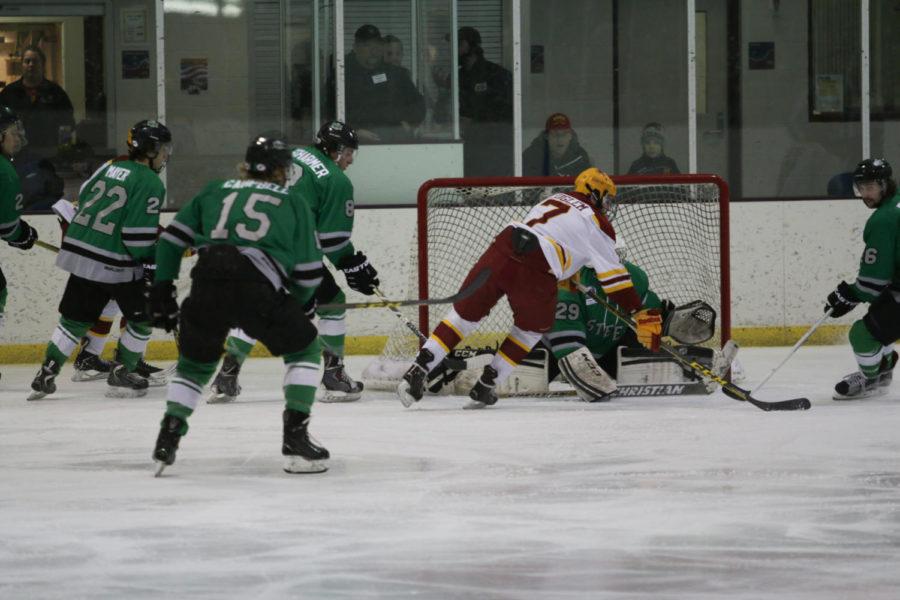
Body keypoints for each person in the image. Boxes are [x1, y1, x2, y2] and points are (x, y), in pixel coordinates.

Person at [397, 166, 663, 409]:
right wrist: (640, 312)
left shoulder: (554, 199)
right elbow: (615, 281)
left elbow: (553, 234)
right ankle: (487, 384)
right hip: (537, 268)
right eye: (607, 198)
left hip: (503, 246)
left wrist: (567, 270)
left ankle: (417, 371)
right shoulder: (598, 223)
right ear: (595, 193)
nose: (607, 205)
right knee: (530, 330)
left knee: (464, 316)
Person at [147, 133, 329, 475]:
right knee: (305, 350)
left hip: (207, 281)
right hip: (256, 288)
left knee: (194, 366)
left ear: (246, 167)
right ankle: (296, 438)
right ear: (280, 171)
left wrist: (162, 287)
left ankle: (168, 437)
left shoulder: (215, 190)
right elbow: (308, 273)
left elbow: (170, 242)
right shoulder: (294, 203)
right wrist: (298, 304)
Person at [207, 121, 378, 404]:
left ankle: (226, 376)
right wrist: (352, 264)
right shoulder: (335, 180)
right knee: (333, 302)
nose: (349, 159)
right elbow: (332, 239)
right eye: (347, 152)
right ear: (333, 150)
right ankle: (334, 376)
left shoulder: (291, 155)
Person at [28, 120, 172, 400]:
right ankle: (123, 372)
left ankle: (47, 370)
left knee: (73, 320)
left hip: (80, 252)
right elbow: (136, 238)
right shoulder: (150, 182)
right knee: (142, 318)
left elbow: (84, 198)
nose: (167, 155)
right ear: (150, 150)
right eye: (164, 149)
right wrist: (154, 261)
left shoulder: (109, 166)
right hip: (115, 261)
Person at [49, 197, 168, 385]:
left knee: (109, 305)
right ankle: (130, 364)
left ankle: (88, 360)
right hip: (113, 262)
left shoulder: (102, 185)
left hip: (96, 259)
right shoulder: (124, 189)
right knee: (135, 308)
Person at [825, 158, 900, 400]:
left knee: (862, 334)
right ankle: (884, 367)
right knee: (880, 316)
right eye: (861, 188)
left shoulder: (884, 220)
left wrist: (848, 295)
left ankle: (872, 380)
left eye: (870, 187)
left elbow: (872, 284)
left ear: (885, 184)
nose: (865, 194)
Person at [0, 106, 39, 375]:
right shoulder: (5, 172)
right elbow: (6, 227)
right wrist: (22, 235)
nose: (18, 138)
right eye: (12, 133)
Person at [343, 24, 425, 143]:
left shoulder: (396, 74)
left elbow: (418, 105)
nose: (373, 50)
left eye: (377, 45)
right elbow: (329, 113)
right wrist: (353, 131)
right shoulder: (343, 75)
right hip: (355, 145)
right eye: (367, 45)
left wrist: (409, 122)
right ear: (355, 48)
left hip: (395, 141)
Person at [0, 46, 74, 161]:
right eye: (27, 61)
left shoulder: (56, 93)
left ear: (42, 64)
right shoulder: (9, 93)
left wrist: (64, 153)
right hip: (16, 156)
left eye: (35, 61)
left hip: (49, 156)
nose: (31, 65)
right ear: (22, 65)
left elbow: (67, 125)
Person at [457, 26, 513, 176]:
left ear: (471, 46)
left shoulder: (496, 74)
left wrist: (475, 120)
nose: (455, 50)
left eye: (460, 44)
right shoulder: (458, 77)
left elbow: (506, 112)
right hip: (463, 148)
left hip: (491, 149)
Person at [522, 112, 592, 177]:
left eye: (564, 134)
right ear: (546, 136)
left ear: (570, 136)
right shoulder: (531, 156)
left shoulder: (580, 157)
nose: (560, 139)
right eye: (555, 134)